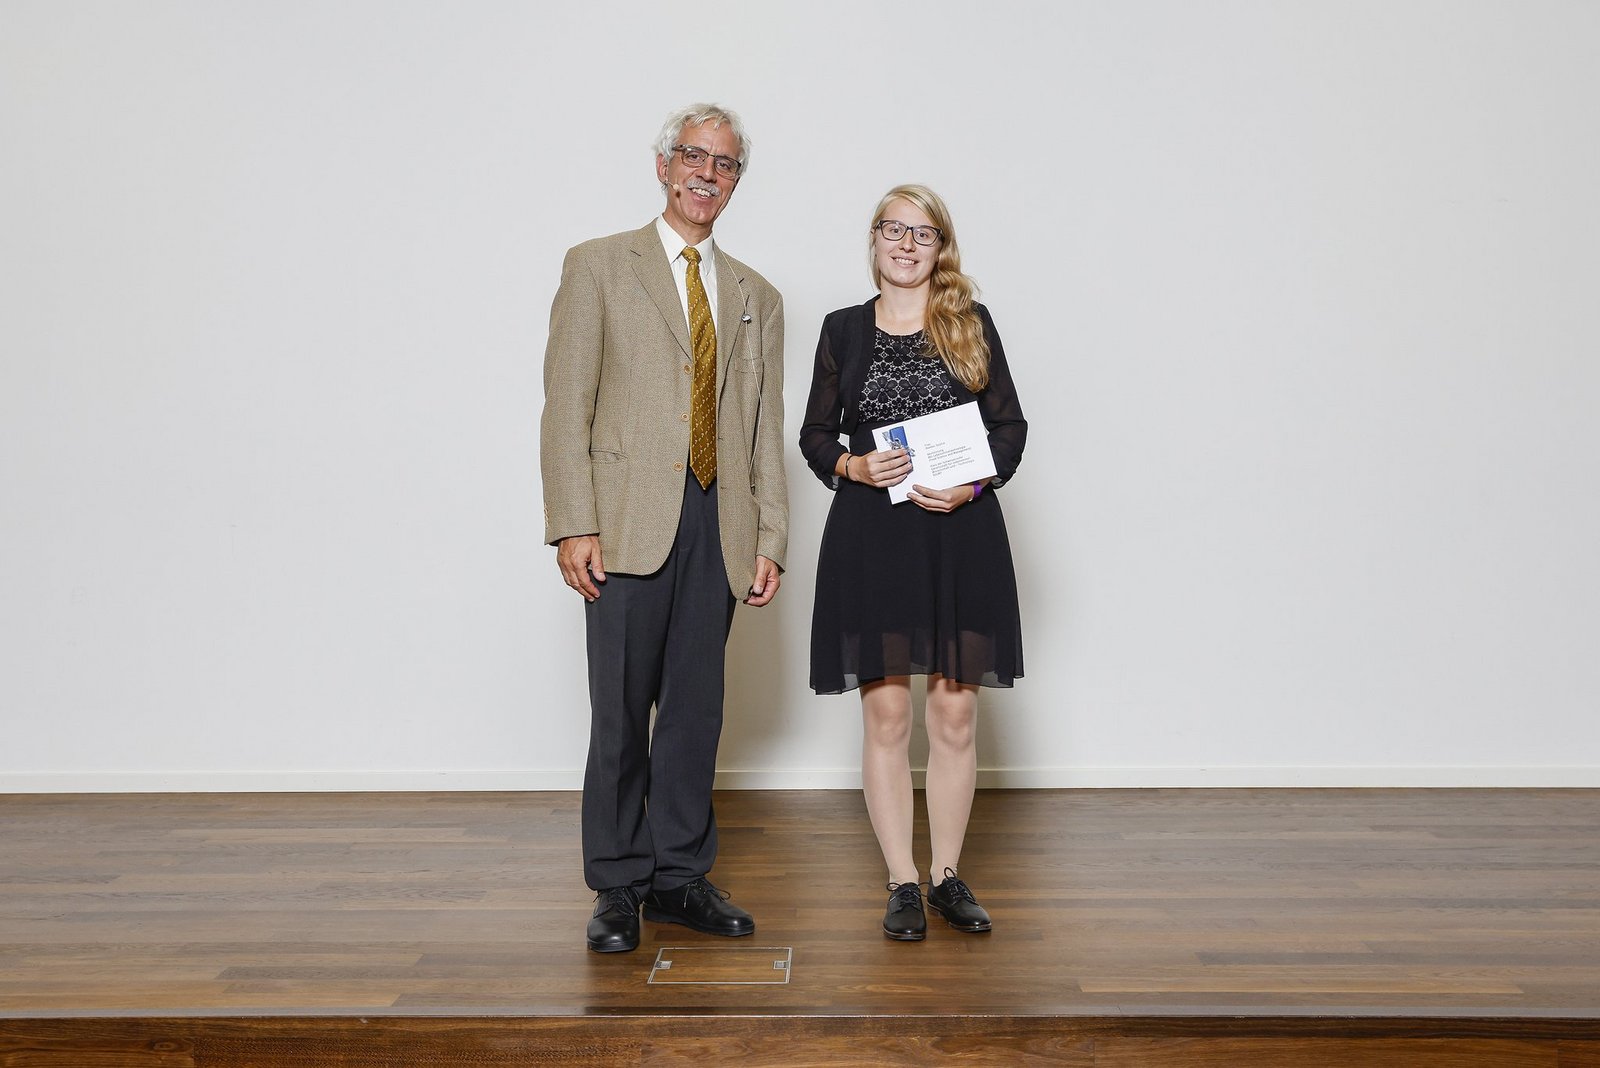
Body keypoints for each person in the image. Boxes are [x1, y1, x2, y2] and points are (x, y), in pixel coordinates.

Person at [541, 104, 787, 953]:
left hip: (720, 523)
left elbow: (762, 427)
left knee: (694, 711)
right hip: (624, 521)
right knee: (619, 710)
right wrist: (573, 522)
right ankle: (617, 881)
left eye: (724, 163)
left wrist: (770, 535)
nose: (706, 174)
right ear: (663, 165)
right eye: (693, 156)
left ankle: (678, 876)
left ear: (736, 181)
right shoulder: (599, 266)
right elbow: (564, 405)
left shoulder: (757, 296)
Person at [798, 184, 1025, 941]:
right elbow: (815, 435)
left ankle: (947, 876)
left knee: (954, 714)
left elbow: (1010, 428)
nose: (906, 244)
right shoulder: (842, 328)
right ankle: (901, 880)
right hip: (873, 538)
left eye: (922, 233)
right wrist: (852, 467)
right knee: (888, 714)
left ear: (941, 247)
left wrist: (972, 485)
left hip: (960, 536)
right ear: (874, 239)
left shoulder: (971, 323)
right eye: (893, 230)